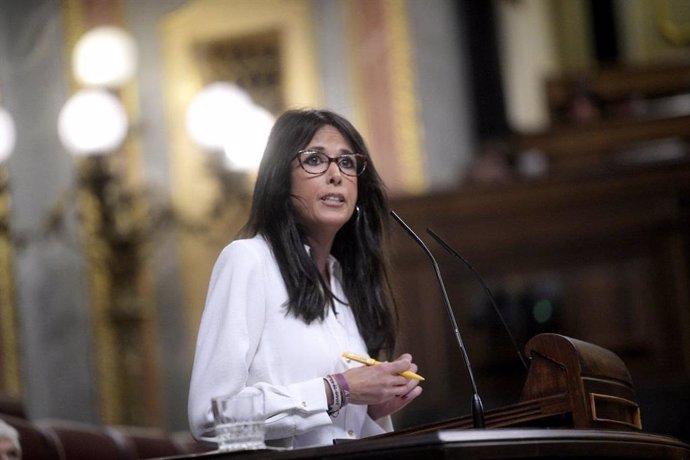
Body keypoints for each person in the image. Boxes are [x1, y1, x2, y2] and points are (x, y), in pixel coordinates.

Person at [188, 108, 423, 449]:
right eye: (314, 160)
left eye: (346, 162)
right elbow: (211, 418)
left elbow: (338, 432)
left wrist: (372, 410)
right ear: (280, 180)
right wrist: (338, 389)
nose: (336, 174)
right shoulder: (248, 260)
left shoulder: (343, 278)